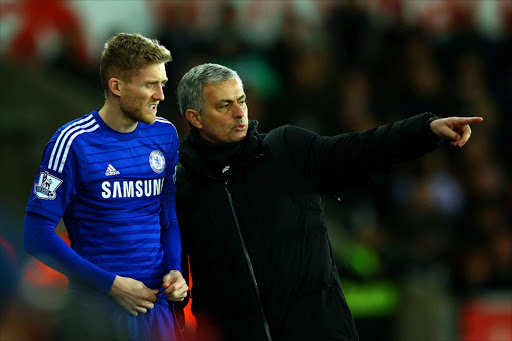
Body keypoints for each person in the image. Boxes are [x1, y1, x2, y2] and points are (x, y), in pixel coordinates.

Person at [174, 63, 483, 341]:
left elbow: (360, 149)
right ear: (195, 118)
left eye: (241, 100)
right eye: (225, 106)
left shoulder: (285, 150)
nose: (240, 113)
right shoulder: (180, 187)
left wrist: (424, 131)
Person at [23, 33, 188, 341]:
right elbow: (35, 235)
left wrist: (175, 269)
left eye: (162, 84)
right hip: (97, 311)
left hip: (157, 310)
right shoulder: (72, 143)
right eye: (150, 84)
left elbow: (167, 217)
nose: (161, 96)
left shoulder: (164, 135)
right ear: (117, 87)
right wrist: (112, 285)